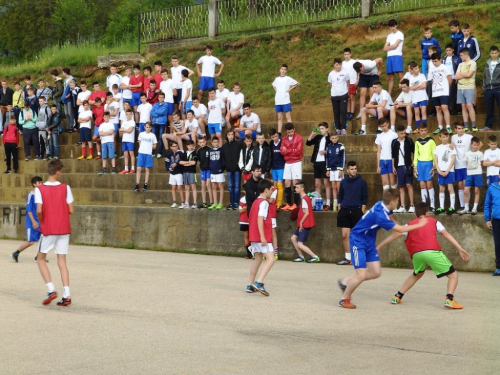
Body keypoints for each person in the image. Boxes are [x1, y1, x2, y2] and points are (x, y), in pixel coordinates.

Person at [338, 188, 428, 309]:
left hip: (369, 241)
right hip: (358, 241)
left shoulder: (381, 204)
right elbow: (399, 230)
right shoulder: (380, 216)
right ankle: (344, 299)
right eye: (397, 201)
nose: (398, 203)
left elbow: (392, 220)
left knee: (376, 272)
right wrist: (419, 224)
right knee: (361, 274)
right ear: (391, 201)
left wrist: (398, 225)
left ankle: (345, 281)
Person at [377, 202, 469, 309]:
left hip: (417, 254)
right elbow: (446, 234)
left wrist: (380, 246)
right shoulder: (434, 222)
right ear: (427, 213)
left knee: (417, 274)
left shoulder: (410, 224)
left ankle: (397, 296)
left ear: (415, 215)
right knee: (453, 275)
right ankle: (449, 299)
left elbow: (395, 235)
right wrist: (460, 248)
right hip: (432, 252)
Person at [34, 159, 74, 306]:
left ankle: (51, 289)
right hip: (63, 228)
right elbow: (71, 210)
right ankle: (67, 294)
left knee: (40, 259)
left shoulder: (40, 189)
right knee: (62, 261)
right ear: (58, 171)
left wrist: (41, 221)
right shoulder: (65, 187)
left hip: (49, 228)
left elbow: (39, 209)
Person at [246, 179, 276, 296]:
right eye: (271, 189)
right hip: (261, 236)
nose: (272, 191)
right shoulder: (264, 203)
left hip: (254, 235)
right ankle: (259, 282)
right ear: (266, 189)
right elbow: (260, 219)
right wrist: (263, 236)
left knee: (258, 260)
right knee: (271, 259)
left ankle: (250, 284)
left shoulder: (255, 202)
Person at [336, 161, 368, 266]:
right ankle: (347, 258)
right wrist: (340, 207)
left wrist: (361, 211)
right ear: (347, 170)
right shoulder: (344, 182)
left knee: (357, 236)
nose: (354, 171)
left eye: (355, 169)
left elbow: (364, 198)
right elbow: (340, 196)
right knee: (345, 236)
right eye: (352, 169)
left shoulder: (361, 181)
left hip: (356, 211)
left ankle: (359, 258)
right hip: (344, 210)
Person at [11, 176, 43, 262]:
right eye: (39, 182)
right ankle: (16, 253)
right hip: (32, 220)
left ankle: (38, 257)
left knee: (44, 239)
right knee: (30, 241)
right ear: (34, 184)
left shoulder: (42, 195)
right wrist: (33, 222)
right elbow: (29, 210)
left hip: (41, 221)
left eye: (41, 182)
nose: (41, 184)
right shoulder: (31, 195)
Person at [291, 180, 320, 263]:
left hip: (305, 224)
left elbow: (307, 212)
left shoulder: (304, 199)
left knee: (300, 243)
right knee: (293, 238)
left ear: (302, 188)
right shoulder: (305, 198)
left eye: (297, 187)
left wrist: (301, 223)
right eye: (295, 187)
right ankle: (301, 256)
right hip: (304, 223)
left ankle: (315, 256)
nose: (295, 189)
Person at [306, 122, 332, 209]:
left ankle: (328, 202)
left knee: (326, 183)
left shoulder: (330, 138)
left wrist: (326, 152)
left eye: (322, 128)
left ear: (327, 129)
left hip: (325, 162)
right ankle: (318, 202)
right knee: (317, 184)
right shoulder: (318, 137)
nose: (321, 130)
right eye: (320, 129)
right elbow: (308, 143)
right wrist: (312, 135)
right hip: (316, 162)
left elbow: (333, 149)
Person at [451, 121, 475, 211]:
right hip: (457, 165)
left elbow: (479, 144)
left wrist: (471, 155)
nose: (461, 130)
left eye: (462, 128)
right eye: (459, 128)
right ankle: (462, 205)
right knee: (460, 185)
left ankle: (467, 205)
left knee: (466, 185)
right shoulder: (453, 137)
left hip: (466, 165)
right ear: (455, 129)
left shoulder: (469, 137)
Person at [427, 53, 453, 134]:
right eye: (433, 61)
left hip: (444, 91)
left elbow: (450, 79)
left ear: (440, 59)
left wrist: (446, 88)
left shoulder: (444, 67)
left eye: (436, 61)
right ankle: (440, 126)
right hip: (435, 92)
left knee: (444, 107)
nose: (434, 63)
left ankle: (448, 126)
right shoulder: (431, 69)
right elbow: (431, 80)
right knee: (438, 109)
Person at [391, 125, 415, 213]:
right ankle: (402, 205)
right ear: (397, 133)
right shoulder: (394, 142)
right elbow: (393, 155)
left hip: (408, 165)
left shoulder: (409, 140)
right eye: (401, 133)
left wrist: (413, 162)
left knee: (409, 185)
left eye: (404, 133)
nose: (403, 135)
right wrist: (393, 166)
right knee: (401, 186)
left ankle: (412, 205)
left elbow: (414, 151)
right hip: (399, 166)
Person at [280, 122, 303, 210]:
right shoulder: (284, 139)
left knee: (295, 182)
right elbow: (282, 151)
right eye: (289, 132)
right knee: (286, 182)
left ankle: (296, 204)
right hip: (288, 162)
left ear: (294, 130)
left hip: (296, 162)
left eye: (292, 131)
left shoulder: (299, 138)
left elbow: (298, 151)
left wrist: (288, 150)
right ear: (286, 131)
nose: (290, 133)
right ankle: (288, 203)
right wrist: (292, 150)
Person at [434, 129, 457, 215]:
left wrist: (447, 170)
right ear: (440, 137)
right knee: (441, 188)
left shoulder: (451, 146)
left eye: (446, 136)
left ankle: (452, 207)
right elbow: (435, 160)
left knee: (450, 188)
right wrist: (439, 170)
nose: (445, 138)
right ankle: (441, 207)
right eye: (443, 137)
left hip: (449, 171)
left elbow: (453, 159)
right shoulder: (437, 147)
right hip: (440, 171)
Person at [458, 137, 483, 215]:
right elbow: (466, 163)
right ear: (471, 144)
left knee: (476, 191)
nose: (476, 146)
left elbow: (482, 164)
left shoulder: (480, 153)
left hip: (478, 173)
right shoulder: (467, 153)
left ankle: (474, 208)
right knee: (465, 191)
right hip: (469, 174)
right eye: (474, 145)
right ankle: (466, 208)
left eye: (477, 145)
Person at [414, 124, 436, 210]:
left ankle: (432, 205)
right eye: (421, 130)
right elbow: (416, 154)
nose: (423, 132)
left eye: (425, 130)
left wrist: (434, 165)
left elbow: (434, 153)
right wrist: (415, 167)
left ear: (427, 131)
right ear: (419, 131)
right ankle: (424, 206)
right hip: (420, 164)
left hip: (429, 163)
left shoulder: (431, 140)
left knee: (429, 184)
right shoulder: (417, 141)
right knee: (422, 185)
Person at [272, 64, 299, 134]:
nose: (283, 71)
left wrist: (289, 89)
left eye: (284, 69)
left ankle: (291, 131)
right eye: (282, 69)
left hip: (285, 100)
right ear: (280, 70)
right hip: (278, 101)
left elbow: (296, 83)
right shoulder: (276, 79)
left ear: (286, 71)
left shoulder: (288, 78)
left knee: (288, 117)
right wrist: (277, 91)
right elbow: (273, 85)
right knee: (279, 117)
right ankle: (279, 132)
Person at [455, 48, 477, 131]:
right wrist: (464, 74)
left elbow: (469, 74)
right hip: (460, 87)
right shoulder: (460, 64)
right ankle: (466, 126)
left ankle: (474, 126)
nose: (460, 57)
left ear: (465, 55)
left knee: (469, 105)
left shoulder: (473, 63)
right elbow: (456, 76)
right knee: (463, 106)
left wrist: (461, 74)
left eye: (461, 55)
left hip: (469, 87)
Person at [484, 172, 500, 276]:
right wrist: (487, 219)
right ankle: (499, 267)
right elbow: (487, 204)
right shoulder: (492, 187)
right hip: (496, 220)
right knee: (498, 244)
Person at [328, 58, 350, 134]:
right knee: (336, 112)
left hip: (343, 94)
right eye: (337, 64)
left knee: (343, 111)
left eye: (340, 64)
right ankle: (337, 128)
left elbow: (348, 83)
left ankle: (344, 128)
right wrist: (335, 91)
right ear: (334, 65)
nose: (338, 66)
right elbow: (330, 84)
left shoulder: (345, 73)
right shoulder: (331, 74)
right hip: (334, 95)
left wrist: (347, 92)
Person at [222, 129, 242, 209]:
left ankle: (236, 202)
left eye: (232, 134)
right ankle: (231, 202)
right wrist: (225, 166)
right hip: (229, 169)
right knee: (230, 186)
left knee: (237, 186)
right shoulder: (224, 146)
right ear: (226, 136)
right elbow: (223, 158)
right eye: (229, 134)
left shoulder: (238, 145)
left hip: (237, 168)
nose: (231, 136)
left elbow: (241, 156)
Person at [375, 118, 398, 191]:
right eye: (382, 126)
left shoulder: (394, 135)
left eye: (385, 125)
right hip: (382, 160)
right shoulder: (379, 136)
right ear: (379, 126)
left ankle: (395, 201)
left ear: (388, 124)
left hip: (391, 159)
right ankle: (387, 201)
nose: (384, 127)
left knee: (393, 182)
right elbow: (378, 151)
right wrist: (378, 165)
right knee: (385, 183)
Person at [134, 122, 157, 192]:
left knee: (147, 169)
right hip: (141, 153)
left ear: (151, 128)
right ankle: (137, 184)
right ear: (144, 127)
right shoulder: (141, 134)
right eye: (147, 127)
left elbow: (155, 145)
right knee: (138, 168)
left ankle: (145, 184)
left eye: (149, 127)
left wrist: (151, 147)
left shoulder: (153, 135)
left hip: (148, 154)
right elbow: (140, 142)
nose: (148, 128)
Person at [481, 45, 500, 131]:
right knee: (489, 108)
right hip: (488, 89)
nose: (494, 55)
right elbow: (485, 75)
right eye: (492, 53)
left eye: (495, 53)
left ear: (498, 53)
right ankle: (488, 125)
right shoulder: (487, 63)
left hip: (498, 88)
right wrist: (484, 87)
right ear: (490, 53)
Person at [384, 19, 405, 95]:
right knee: (390, 77)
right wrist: (391, 47)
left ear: (396, 25)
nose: (392, 28)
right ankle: (389, 95)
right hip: (389, 57)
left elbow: (395, 46)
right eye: (391, 27)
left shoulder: (400, 34)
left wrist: (389, 47)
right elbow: (384, 48)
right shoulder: (389, 36)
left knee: (400, 75)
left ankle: (404, 91)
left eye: (393, 26)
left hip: (397, 56)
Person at [325, 133, 345, 212]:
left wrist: (341, 169)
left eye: (335, 138)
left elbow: (343, 158)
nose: (334, 139)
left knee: (338, 187)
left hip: (338, 169)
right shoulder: (328, 147)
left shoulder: (341, 146)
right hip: (332, 169)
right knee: (333, 186)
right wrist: (328, 169)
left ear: (338, 138)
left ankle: (341, 203)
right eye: (333, 138)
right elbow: (327, 159)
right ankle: (335, 203)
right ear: (330, 139)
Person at [408, 62, 428, 132]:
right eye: (415, 68)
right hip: (415, 97)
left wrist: (415, 87)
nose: (417, 69)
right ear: (412, 70)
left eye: (417, 68)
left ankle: (424, 127)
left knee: (423, 111)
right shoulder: (411, 78)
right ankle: (418, 128)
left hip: (423, 96)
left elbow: (424, 86)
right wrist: (419, 86)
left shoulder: (422, 76)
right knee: (416, 113)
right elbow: (411, 87)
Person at [179, 140, 198, 209]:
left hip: (191, 171)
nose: (191, 147)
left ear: (194, 146)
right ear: (187, 146)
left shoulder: (194, 153)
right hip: (185, 172)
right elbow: (180, 162)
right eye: (189, 145)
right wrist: (188, 163)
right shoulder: (184, 153)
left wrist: (185, 163)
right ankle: (186, 203)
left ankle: (195, 203)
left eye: (192, 145)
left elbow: (193, 163)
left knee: (193, 187)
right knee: (186, 187)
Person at [264, 172, 279, 260]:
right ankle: (265, 251)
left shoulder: (274, 190)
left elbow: (271, 201)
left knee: (273, 233)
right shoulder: (264, 190)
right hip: (265, 213)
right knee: (265, 233)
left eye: (269, 179)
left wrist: (264, 197)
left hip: (271, 213)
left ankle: (275, 251)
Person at [165, 142, 185, 208]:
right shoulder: (169, 154)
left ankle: (183, 202)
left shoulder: (181, 153)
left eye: (176, 146)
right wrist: (168, 168)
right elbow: (166, 162)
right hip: (172, 173)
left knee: (180, 188)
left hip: (179, 172)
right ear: (171, 147)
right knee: (173, 188)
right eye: (174, 146)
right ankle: (174, 202)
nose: (175, 147)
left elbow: (183, 162)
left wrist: (177, 164)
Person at [269, 128, 285, 207]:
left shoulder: (282, 142)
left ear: (278, 135)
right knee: (274, 185)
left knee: (279, 185)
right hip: (274, 167)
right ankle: (274, 201)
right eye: (273, 137)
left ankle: (279, 203)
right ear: (270, 137)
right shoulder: (271, 143)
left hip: (281, 166)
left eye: (276, 136)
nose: (275, 138)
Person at [208, 136, 225, 210]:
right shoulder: (210, 151)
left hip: (219, 171)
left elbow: (223, 160)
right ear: (212, 143)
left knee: (220, 186)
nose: (216, 143)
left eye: (217, 142)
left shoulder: (221, 150)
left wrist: (222, 168)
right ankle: (215, 202)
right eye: (214, 142)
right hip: (212, 171)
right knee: (213, 187)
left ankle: (220, 202)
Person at [196, 137, 213, 208]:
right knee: (203, 185)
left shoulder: (209, 149)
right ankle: (204, 202)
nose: (202, 143)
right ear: (198, 143)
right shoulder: (199, 151)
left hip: (209, 169)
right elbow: (199, 160)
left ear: (205, 142)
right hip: (203, 170)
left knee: (208, 185)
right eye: (200, 142)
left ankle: (212, 202)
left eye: (203, 142)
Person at [150, 92, 168, 156]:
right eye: (160, 97)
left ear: (164, 98)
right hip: (155, 122)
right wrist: (157, 113)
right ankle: (152, 152)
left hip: (162, 123)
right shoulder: (155, 104)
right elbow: (151, 112)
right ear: (158, 98)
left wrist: (156, 112)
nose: (161, 98)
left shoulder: (165, 104)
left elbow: (162, 112)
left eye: (162, 97)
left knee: (160, 138)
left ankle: (159, 152)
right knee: (153, 137)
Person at [118, 108, 136, 174]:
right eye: (127, 114)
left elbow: (130, 130)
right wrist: (125, 130)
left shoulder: (132, 122)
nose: (128, 115)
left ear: (131, 115)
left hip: (130, 140)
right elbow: (120, 130)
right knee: (125, 155)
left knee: (131, 154)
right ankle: (126, 169)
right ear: (126, 115)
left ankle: (133, 168)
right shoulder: (124, 122)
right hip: (124, 140)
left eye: (129, 114)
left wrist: (124, 130)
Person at [342, 48, 358, 120]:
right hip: (345, 83)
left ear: (350, 54)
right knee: (347, 98)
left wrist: (357, 80)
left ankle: (352, 112)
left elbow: (358, 71)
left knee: (352, 97)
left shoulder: (354, 62)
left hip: (353, 82)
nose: (346, 56)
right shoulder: (342, 64)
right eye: (345, 54)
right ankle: (348, 112)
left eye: (348, 54)